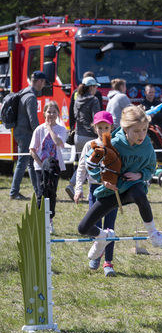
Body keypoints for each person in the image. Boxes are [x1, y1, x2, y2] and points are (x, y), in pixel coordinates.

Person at [78, 105, 162, 261]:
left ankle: (154, 235)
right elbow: (90, 163)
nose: (141, 135)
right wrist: (104, 180)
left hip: (131, 189)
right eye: (136, 131)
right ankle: (103, 237)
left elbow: (151, 169)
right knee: (83, 228)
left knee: (139, 192)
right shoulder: (112, 142)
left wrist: (140, 174)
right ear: (125, 128)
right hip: (111, 192)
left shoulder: (147, 145)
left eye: (144, 129)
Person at [74, 111, 118, 276]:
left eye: (106, 127)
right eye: (99, 127)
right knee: (95, 225)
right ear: (94, 128)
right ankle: (97, 253)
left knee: (110, 227)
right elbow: (81, 168)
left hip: (112, 191)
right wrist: (78, 188)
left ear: (111, 128)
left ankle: (109, 263)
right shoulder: (89, 145)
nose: (102, 130)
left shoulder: (115, 145)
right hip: (95, 190)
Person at [9, 71, 50, 200]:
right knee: (23, 161)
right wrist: (40, 133)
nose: (44, 86)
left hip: (19, 132)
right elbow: (33, 120)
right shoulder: (31, 97)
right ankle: (14, 192)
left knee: (31, 163)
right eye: (43, 82)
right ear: (39, 81)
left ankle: (38, 191)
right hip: (25, 134)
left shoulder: (24, 92)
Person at [29, 101, 67, 234]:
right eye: (49, 111)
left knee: (51, 193)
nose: (51, 114)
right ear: (44, 113)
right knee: (41, 193)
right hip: (40, 168)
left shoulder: (62, 129)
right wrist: (41, 165)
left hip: (54, 167)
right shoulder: (39, 129)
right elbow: (32, 150)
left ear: (58, 114)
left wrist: (50, 128)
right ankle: (39, 221)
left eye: (54, 112)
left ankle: (49, 221)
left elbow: (58, 142)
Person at [65, 76, 101, 200]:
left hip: (78, 136)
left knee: (82, 164)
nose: (96, 89)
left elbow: (74, 116)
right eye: (95, 86)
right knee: (90, 164)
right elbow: (96, 119)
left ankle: (73, 186)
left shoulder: (77, 98)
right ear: (91, 87)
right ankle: (76, 186)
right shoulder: (94, 100)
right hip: (89, 136)